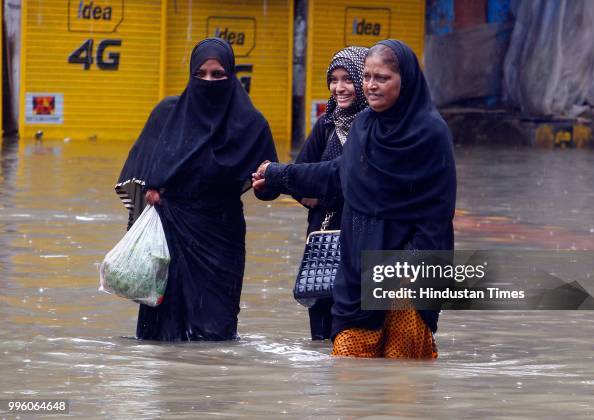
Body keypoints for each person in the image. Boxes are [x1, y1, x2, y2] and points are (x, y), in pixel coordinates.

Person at [253, 40, 456, 358]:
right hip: (357, 270)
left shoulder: (430, 133)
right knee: (349, 368)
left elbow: (438, 213)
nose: (371, 86)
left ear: (406, 80)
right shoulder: (364, 126)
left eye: (382, 78)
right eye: (368, 77)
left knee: (403, 382)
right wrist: (279, 175)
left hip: (407, 272)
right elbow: (336, 173)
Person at [115, 38, 279, 341]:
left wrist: (266, 183)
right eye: (201, 74)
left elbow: (268, 185)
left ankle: (212, 388)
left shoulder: (251, 125)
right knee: (164, 334)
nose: (208, 81)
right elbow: (136, 171)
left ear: (231, 76)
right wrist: (151, 189)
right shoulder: (167, 114)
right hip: (170, 234)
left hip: (221, 237)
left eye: (218, 75)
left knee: (216, 330)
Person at [292, 46, 368, 341]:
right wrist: (312, 197)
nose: (339, 88)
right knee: (323, 322)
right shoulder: (326, 125)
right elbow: (300, 175)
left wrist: (330, 192)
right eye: (334, 80)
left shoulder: (377, 127)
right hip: (324, 238)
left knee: (361, 326)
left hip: (364, 236)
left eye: (348, 80)